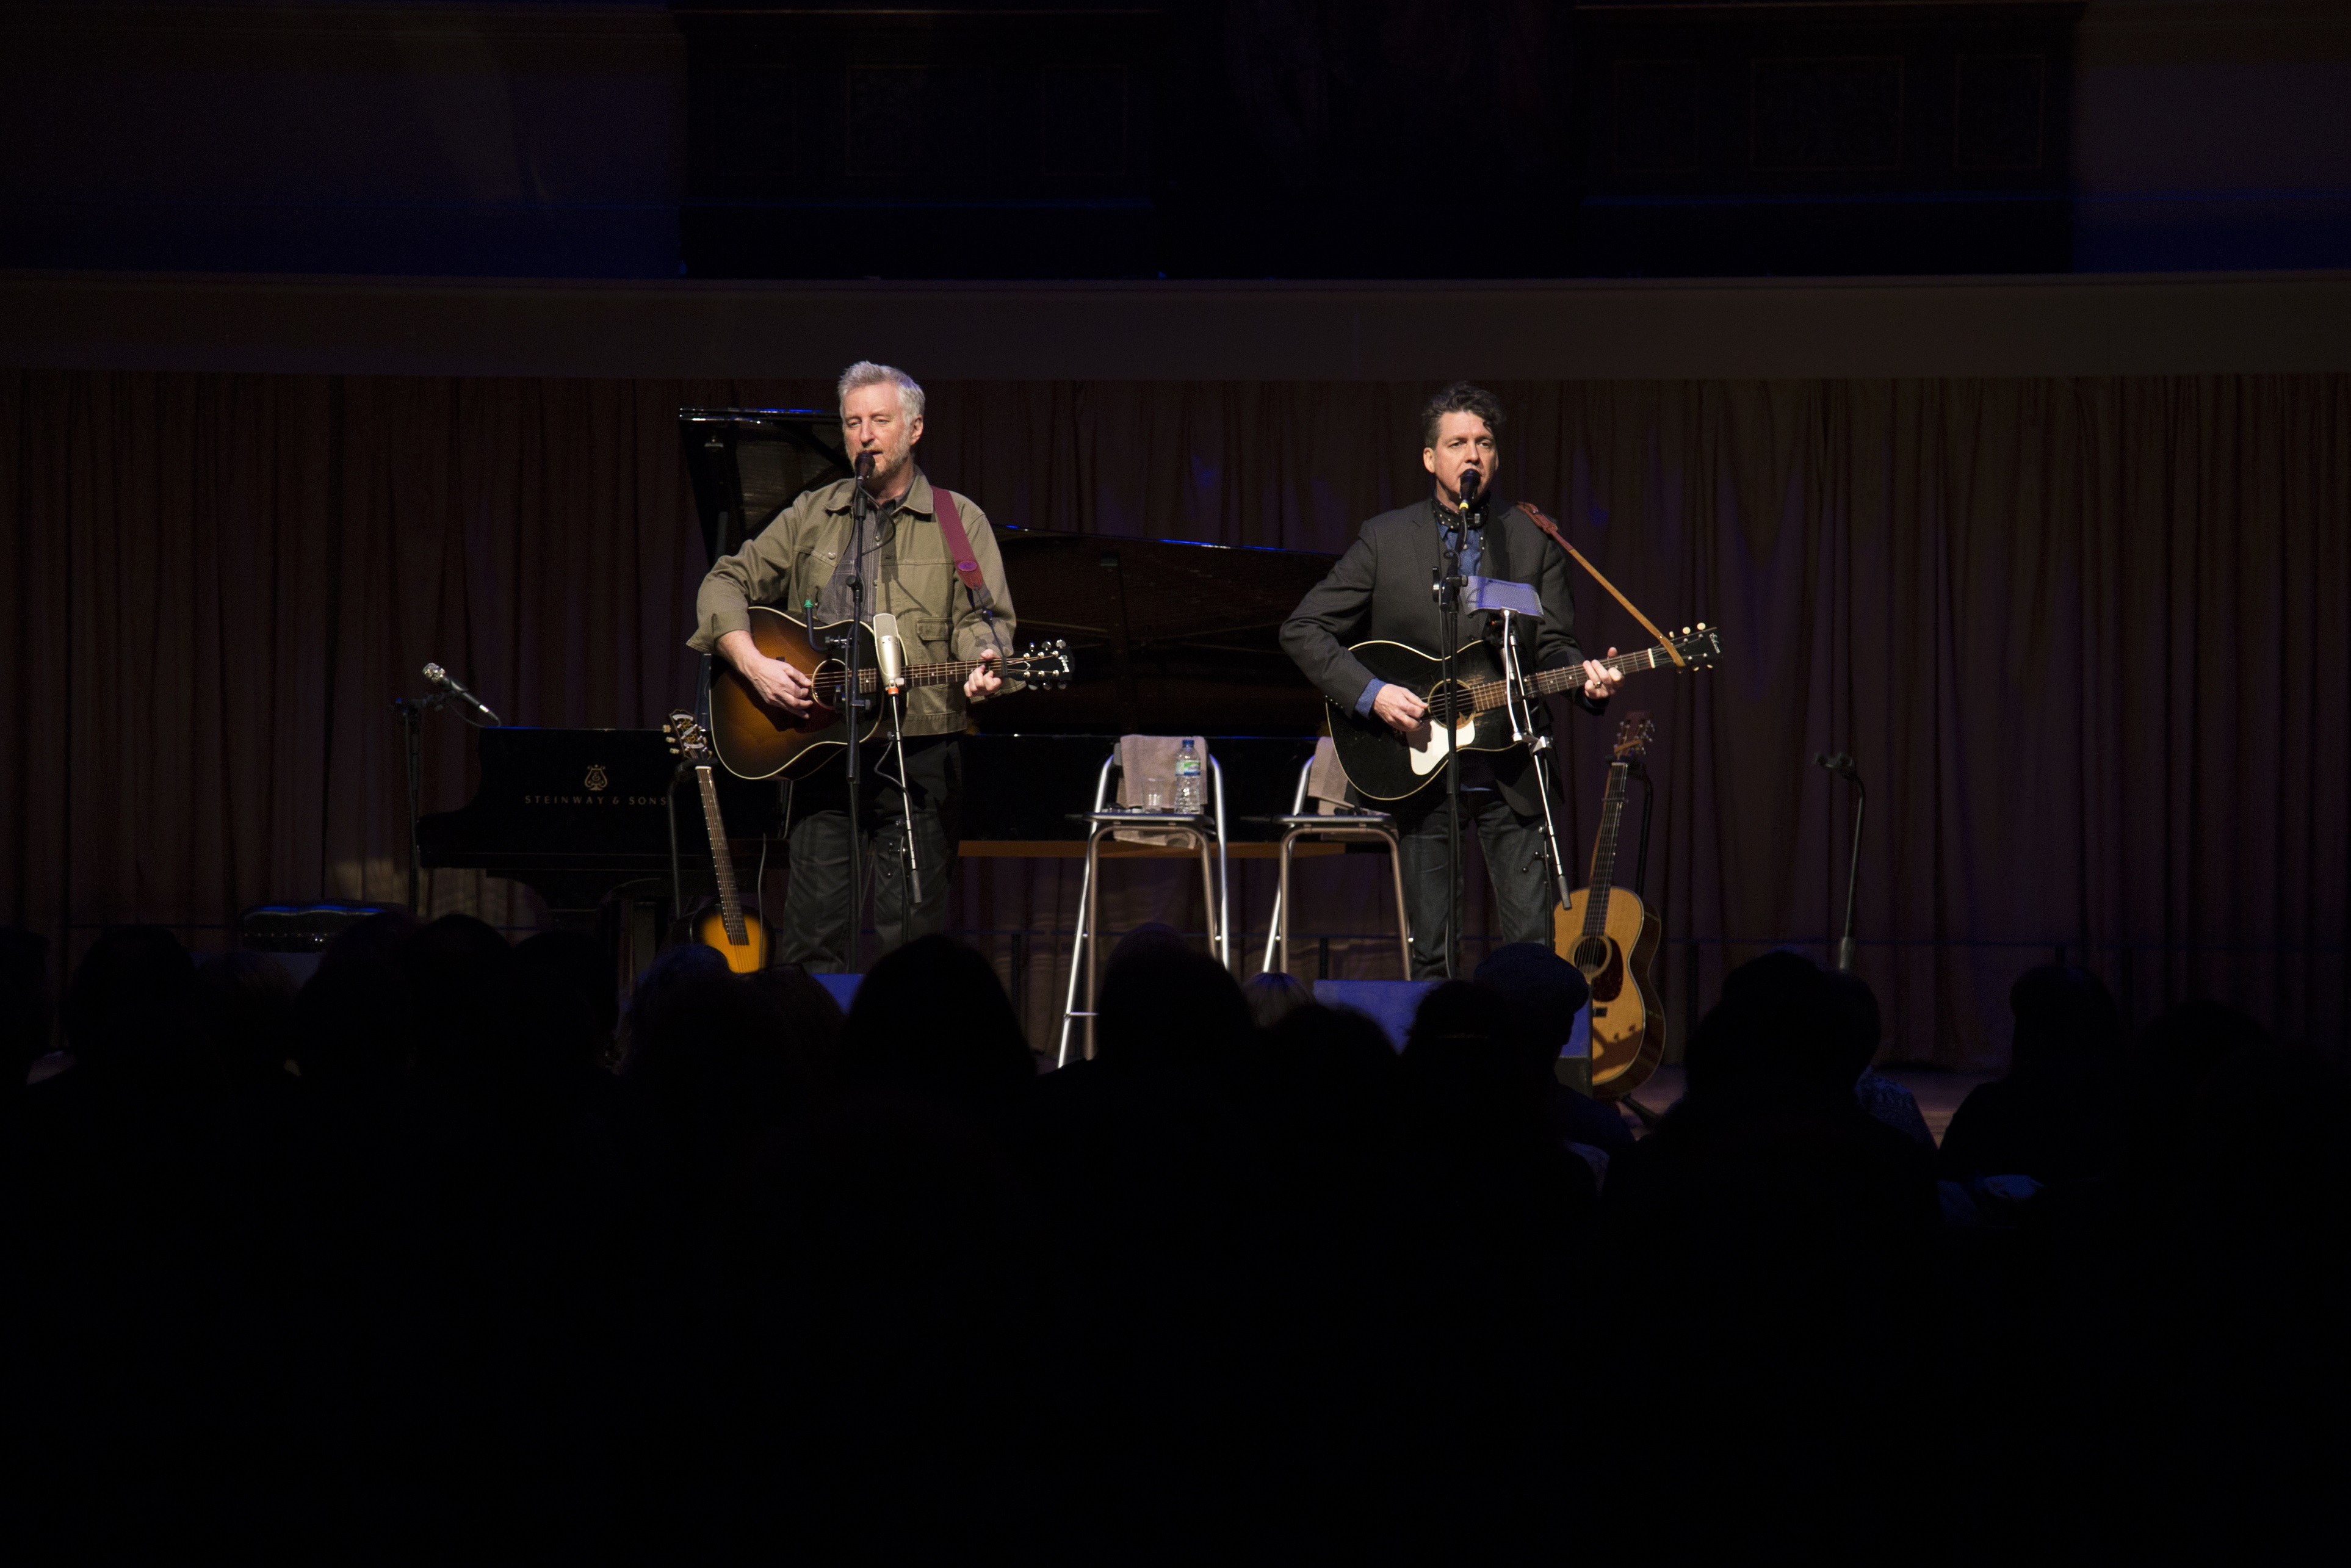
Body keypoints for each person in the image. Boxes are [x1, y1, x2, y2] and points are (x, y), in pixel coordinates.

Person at [1280, 382, 1622, 977]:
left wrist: (1584, 683)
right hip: (1417, 767)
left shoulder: (1532, 537)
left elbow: (1553, 647)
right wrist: (1373, 694)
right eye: (1458, 443)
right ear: (1430, 458)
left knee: (1531, 950)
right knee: (1432, 954)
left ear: (1497, 456)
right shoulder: (1386, 538)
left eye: (1484, 443)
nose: (1473, 455)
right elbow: (1303, 628)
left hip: (1513, 766)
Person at [690, 362, 1018, 971]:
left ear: (914, 429)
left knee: (911, 950)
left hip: (919, 757)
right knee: (812, 943)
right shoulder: (813, 514)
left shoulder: (958, 519)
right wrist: (753, 664)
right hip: (821, 754)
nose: (864, 435)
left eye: (879, 420)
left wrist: (985, 660)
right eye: (852, 422)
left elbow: (984, 620)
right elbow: (724, 582)